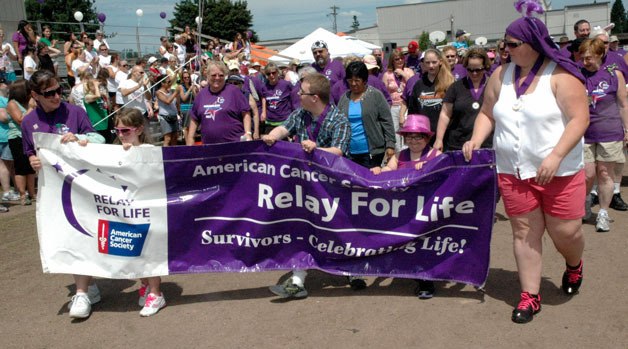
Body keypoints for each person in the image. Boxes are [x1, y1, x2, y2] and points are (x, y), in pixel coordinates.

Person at [462, 14, 588, 324]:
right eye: (504, 44)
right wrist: (476, 138)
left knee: (565, 232)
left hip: (559, 172)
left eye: (512, 44)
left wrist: (556, 156)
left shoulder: (559, 76)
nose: (505, 49)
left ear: (532, 45)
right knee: (524, 231)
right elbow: (488, 113)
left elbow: (580, 119)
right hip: (513, 171)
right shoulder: (501, 75)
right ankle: (530, 295)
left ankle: (574, 264)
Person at [21, 70, 105, 319]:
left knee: (82, 232)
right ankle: (87, 287)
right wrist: (33, 159)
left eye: (60, 90)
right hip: (53, 190)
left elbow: (98, 139)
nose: (57, 96)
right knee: (66, 235)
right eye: (50, 94)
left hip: (82, 186)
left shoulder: (75, 112)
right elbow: (29, 152)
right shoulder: (28, 122)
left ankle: (81, 292)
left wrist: (79, 137)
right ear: (35, 95)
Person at [262, 73, 351, 299]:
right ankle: (297, 281)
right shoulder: (300, 114)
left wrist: (316, 149)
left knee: (335, 230)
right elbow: (284, 128)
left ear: (315, 97)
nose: (298, 95)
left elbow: (339, 151)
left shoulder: (338, 120)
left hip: (331, 187)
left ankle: (352, 271)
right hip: (304, 186)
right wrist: (272, 136)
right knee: (302, 228)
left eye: (302, 92)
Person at [112, 108, 166, 316]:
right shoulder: (114, 151)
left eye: (125, 130)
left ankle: (156, 292)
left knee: (150, 251)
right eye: (117, 130)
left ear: (139, 129)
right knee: (134, 251)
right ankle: (144, 284)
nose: (120, 135)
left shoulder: (148, 150)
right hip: (126, 210)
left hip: (148, 210)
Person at [578, 38, 628, 232]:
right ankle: (586, 204)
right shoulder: (578, 75)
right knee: (587, 174)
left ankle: (603, 213)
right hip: (584, 134)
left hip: (610, 132)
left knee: (605, 174)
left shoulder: (614, 75)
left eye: (589, 58)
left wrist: (626, 129)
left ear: (599, 55)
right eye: (582, 58)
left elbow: (623, 104)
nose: (585, 62)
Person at [337, 61, 395, 168]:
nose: (353, 84)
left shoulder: (376, 95)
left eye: (357, 80)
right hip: (349, 153)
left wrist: (390, 145)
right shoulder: (344, 98)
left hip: (372, 153)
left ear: (364, 80)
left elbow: (386, 121)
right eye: (350, 80)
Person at [434, 48, 493, 151]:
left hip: (487, 144)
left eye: (478, 70)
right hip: (458, 144)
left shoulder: (493, 86)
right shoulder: (455, 87)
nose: (474, 73)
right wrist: (439, 139)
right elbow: (445, 114)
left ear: (485, 67)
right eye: (470, 69)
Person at [186, 61, 252, 145]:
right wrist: (190, 138)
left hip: (234, 145)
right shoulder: (201, 95)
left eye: (221, 75)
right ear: (207, 76)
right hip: (209, 147)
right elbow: (194, 118)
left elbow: (246, 112)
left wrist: (248, 133)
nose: (217, 78)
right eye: (214, 75)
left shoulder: (234, 91)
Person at [406, 49, 455, 143]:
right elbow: (412, 111)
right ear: (423, 64)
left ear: (440, 62)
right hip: (424, 135)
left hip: (447, 135)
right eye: (427, 63)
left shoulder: (450, 82)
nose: (431, 66)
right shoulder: (418, 85)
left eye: (434, 62)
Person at [5, 80, 36, 205]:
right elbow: (20, 120)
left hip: (30, 137)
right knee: (21, 167)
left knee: (31, 167)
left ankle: (32, 193)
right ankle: (23, 194)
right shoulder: (12, 104)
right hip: (17, 138)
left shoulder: (27, 103)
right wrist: (31, 107)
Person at [383, 50, 415, 151]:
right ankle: (398, 154)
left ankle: (408, 153)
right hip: (393, 106)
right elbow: (384, 92)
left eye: (402, 58)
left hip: (406, 105)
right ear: (392, 61)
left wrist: (403, 74)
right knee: (395, 131)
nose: (400, 60)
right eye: (397, 59)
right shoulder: (387, 74)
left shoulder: (409, 71)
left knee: (407, 131)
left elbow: (414, 85)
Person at [260, 63, 293, 135]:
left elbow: (293, 98)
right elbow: (264, 98)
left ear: (277, 72)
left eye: (273, 73)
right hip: (270, 121)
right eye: (268, 74)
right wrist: (263, 112)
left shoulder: (286, 84)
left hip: (284, 120)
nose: (271, 75)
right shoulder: (264, 87)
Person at [155, 75, 180, 146]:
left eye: (170, 82)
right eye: (168, 82)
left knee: (175, 137)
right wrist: (176, 92)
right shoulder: (158, 93)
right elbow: (167, 101)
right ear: (162, 83)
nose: (170, 83)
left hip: (173, 115)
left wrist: (178, 110)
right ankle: (166, 155)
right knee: (167, 138)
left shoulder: (171, 91)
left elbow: (176, 103)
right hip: (165, 117)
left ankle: (174, 154)